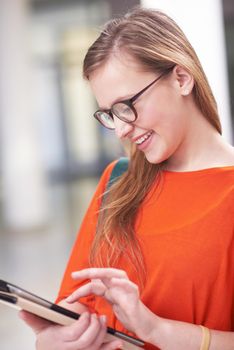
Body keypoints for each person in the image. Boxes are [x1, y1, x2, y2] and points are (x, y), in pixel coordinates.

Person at [20, 6, 234, 350]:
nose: (120, 128)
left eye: (127, 105)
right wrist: (53, 339)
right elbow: (76, 301)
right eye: (109, 113)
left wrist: (159, 331)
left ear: (181, 78)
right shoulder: (117, 179)